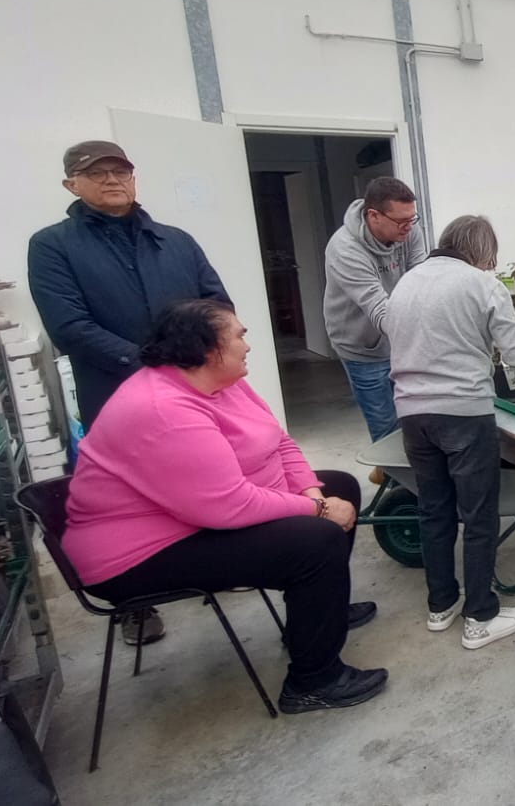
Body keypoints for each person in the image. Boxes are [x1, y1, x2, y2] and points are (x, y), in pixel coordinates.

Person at [63, 300, 387, 714]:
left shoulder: (223, 381)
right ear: (207, 348)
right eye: (239, 336)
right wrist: (319, 513)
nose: (247, 345)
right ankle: (313, 682)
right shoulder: (162, 407)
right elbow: (228, 505)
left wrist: (314, 496)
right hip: (136, 554)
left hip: (193, 517)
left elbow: (279, 441)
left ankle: (317, 617)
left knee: (338, 486)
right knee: (316, 540)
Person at [28, 140, 230, 647]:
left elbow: (217, 304)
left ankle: (223, 562)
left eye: (120, 170)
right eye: (97, 173)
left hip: (194, 393)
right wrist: (151, 364)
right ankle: (136, 604)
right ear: (72, 185)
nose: (112, 180)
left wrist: (200, 355)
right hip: (116, 396)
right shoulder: (54, 246)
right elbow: (70, 327)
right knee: (129, 497)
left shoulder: (175, 241)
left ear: (134, 177)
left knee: (205, 475)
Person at [387, 216, 515, 647]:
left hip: (412, 413)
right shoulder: (482, 285)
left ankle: (441, 605)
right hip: (463, 412)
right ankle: (480, 616)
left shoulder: (406, 283)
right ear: (482, 252)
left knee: (434, 511)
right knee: (479, 515)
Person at [323, 177, 428, 443]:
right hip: (363, 348)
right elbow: (379, 310)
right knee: (386, 430)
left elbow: (422, 282)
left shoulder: (410, 230)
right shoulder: (345, 249)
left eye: (412, 219)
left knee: (420, 420)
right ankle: (394, 469)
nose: (409, 227)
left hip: (403, 343)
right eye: (401, 221)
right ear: (374, 216)